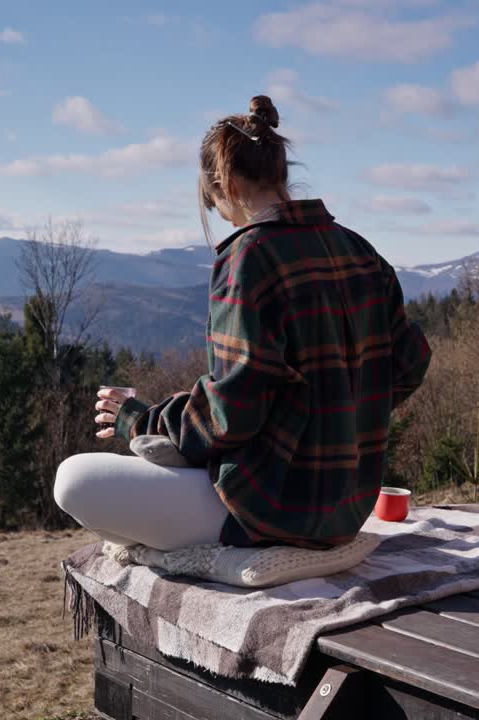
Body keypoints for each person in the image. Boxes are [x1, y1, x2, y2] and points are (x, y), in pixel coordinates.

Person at [54, 95, 431, 552]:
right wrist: (345, 411)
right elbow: (409, 362)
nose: (218, 213)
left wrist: (139, 419)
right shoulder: (362, 251)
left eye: (214, 201)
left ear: (226, 184)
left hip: (272, 512)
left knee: (73, 480)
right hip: (349, 509)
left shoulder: (249, 257)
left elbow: (233, 413)